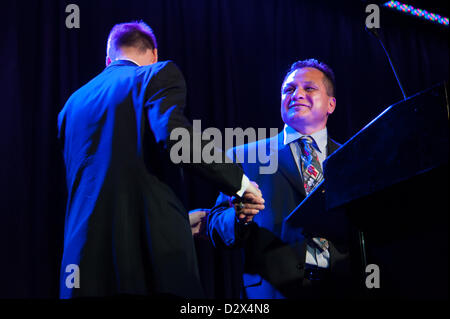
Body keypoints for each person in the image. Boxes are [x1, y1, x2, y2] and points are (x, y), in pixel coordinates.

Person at [57, 21, 262, 299]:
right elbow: (176, 138)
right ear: (154, 54)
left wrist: (180, 220)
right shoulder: (156, 73)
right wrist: (239, 182)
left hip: (83, 266)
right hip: (148, 265)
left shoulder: (71, 105)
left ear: (108, 59)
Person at [208, 59, 352, 298]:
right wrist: (237, 216)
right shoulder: (244, 156)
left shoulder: (351, 158)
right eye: (289, 89)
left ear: (331, 104)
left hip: (343, 287)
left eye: (309, 88)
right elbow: (216, 224)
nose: (297, 94)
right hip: (273, 290)